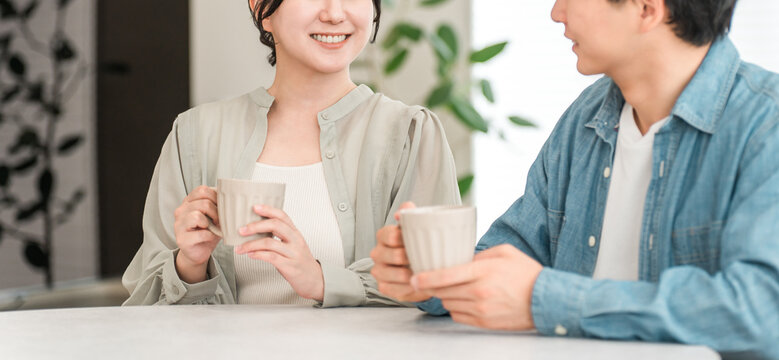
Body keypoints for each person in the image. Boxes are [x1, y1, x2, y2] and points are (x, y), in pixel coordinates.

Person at [370, 0, 779, 357]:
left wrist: (544, 299)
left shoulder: (765, 126)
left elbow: (761, 313)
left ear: (646, 9)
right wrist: (429, 276)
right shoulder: (586, 118)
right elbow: (514, 255)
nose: (555, 12)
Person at [122, 0, 460, 307]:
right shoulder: (195, 134)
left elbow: (437, 291)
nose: (334, 13)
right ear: (261, 9)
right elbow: (143, 308)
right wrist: (189, 266)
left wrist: (321, 281)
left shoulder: (410, 132)